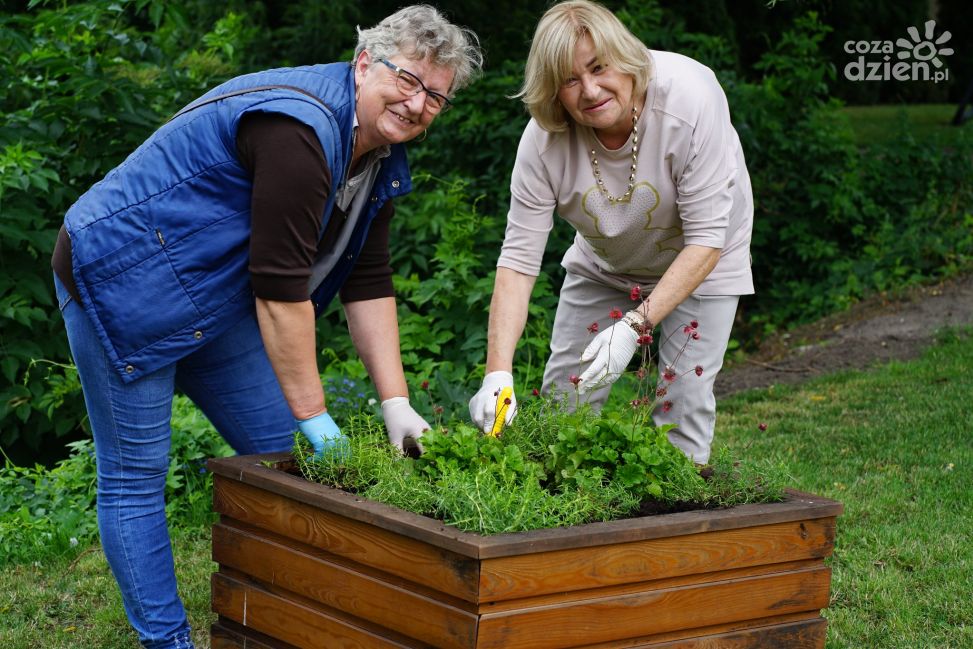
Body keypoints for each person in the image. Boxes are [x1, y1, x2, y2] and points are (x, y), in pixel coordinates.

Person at [51, 6, 481, 648]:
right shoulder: (299, 130)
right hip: (125, 281)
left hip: (212, 299)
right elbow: (281, 294)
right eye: (408, 80)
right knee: (135, 474)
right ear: (365, 62)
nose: (418, 103)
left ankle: (303, 617)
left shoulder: (377, 154)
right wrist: (316, 415)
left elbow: (369, 279)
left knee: (292, 455)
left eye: (436, 96)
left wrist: (396, 402)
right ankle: (167, 642)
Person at [469, 0, 752, 465]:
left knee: (683, 400)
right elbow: (518, 263)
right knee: (565, 398)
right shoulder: (543, 145)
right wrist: (497, 372)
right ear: (553, 90)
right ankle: (563, 522)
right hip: (605, 262)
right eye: (569, 79)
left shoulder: (690, 99)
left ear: (625, 57)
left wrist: (634, 327)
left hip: (704, 260)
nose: (590, 90)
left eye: (599, 68)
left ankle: (674, 527)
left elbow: (706, 239)